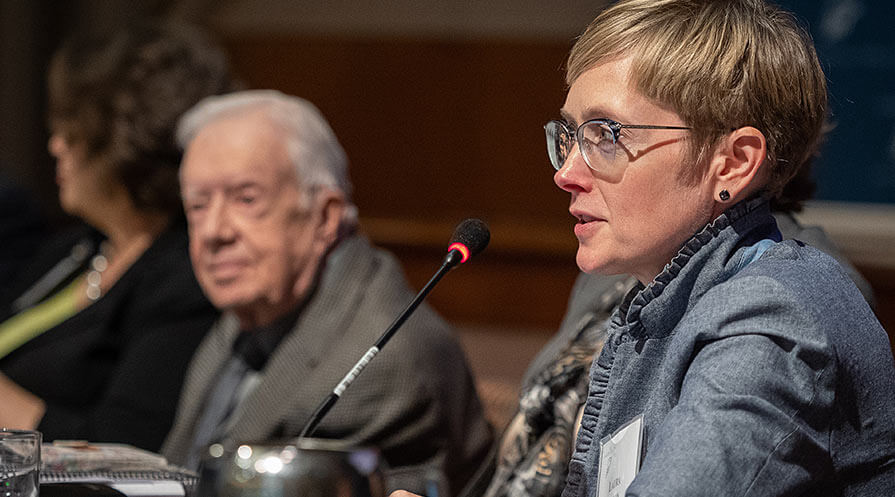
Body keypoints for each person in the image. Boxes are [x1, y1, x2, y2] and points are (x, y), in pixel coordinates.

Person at [544, 0, 895, 495]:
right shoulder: (671, 295)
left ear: (732, 163)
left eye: (605, 136)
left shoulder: (774, 320)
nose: (566, 174)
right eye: (569, 136)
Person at [160, 90, 493, 495]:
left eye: (246, 199)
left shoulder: (386, 362)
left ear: (325, 217)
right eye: (197, 205)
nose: (214, 231)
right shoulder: (249, 314)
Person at [0, 21, 233, 451]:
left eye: (72, 131)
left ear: (120, 148)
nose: (55, 145)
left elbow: (122, 446)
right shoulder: (80, 247)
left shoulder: (183, 279)